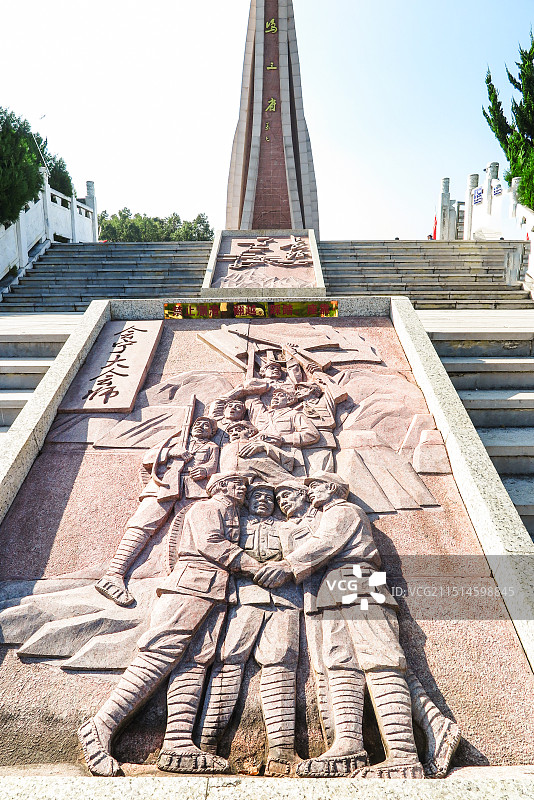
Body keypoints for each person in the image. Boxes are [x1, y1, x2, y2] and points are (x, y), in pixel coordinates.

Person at [79, 472, 264, 777]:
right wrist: (256, 566)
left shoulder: (232, 514)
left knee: (195, 662)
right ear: (220, 487)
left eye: (245, 485)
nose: (242, 489)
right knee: (157, 658)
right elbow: (212, 544)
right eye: (236, 484)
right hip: (189, 586)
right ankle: (99, 727)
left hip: (215, 591)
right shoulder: (207, 508)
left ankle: (177, 742)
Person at [255, 471, 424, 779]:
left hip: (360, 580)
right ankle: (349, 745)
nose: (311, 492)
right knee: (340, 662)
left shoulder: (344, 510)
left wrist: (286, 566)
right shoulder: (321, 516)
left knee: (380, 661)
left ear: (331, 487)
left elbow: (325, 542)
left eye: (315, 486)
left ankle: (402, 753)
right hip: (333, 585)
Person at [200, 482, 302, 776]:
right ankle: (207, 744)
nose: (263, 501)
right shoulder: (235, 524)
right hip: (243, 599)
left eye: (269, 498)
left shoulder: (288, 526)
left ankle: (282, 752)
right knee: (228, 662)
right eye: (256, 496)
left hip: (286, 600)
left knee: (282, 665)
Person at [95, 416, 219, 607]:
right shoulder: (177, 440)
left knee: (191, 533)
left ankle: (181, 582)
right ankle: (114, 574)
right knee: (142, 525)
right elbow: (148, 458)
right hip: (164, 485)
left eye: (206, 426)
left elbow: (213, 465)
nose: (201, 427)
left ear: (212, 432)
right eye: (198, 424)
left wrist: (204, 471)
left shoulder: (212, 446)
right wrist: (170, 453)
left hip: (193, 491)